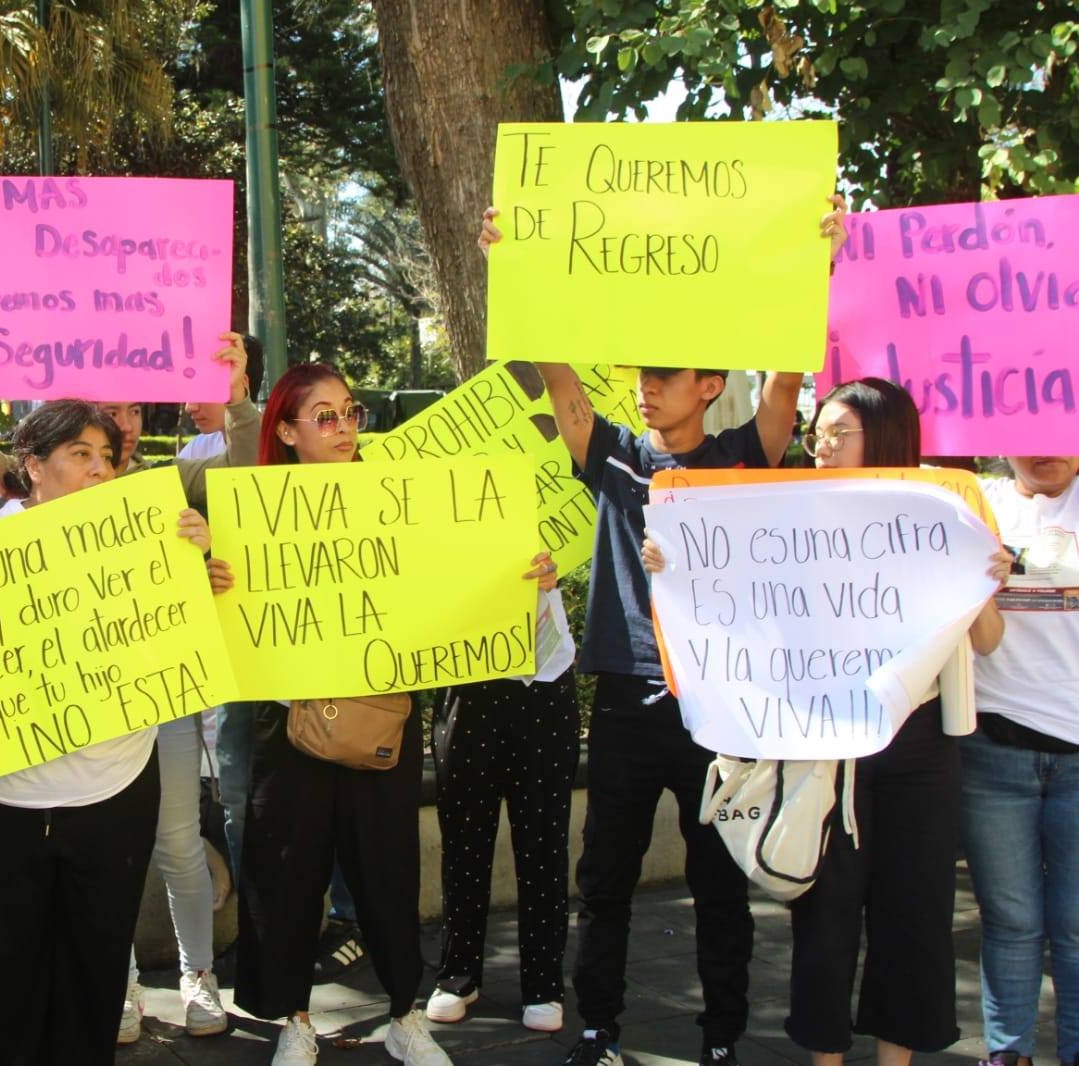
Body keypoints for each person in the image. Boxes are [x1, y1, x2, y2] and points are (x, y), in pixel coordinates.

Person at [478, 194, 848, 1066]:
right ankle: (598, 1029)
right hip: (622, 704)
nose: (648, 387)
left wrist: (816, 265)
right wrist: (515, 268)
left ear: (709, 386)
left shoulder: (741, 457)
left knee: (718, 884)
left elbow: (786, 381)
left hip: (716, 706)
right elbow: (559, 378)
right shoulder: (613, 456)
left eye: (668, 375)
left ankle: (720, 1038)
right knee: (603, 880)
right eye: (644, 375)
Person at [645, 377, 1008, 1066]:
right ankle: (825, 1057)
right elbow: (735, 596)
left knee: (915, 913)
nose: (821, 445)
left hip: (918, 745)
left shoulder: (943, 510)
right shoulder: (789, 511)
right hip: (824, 743)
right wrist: (675, 563)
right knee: (824, 912)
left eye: (839, 433)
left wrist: (985, 578)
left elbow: (986, 641)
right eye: (818, 432)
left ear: (886, 437)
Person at [0, 328, 253, 1040]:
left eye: (106, 455)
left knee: (93, 975)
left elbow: (237, 498)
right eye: (80, 454)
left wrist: (199, 577)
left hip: (114, 792)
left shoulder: (153, 528)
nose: (99, 468)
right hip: (0, 801)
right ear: (32, 466)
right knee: (8, 974)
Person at [211, 361, 559, 1066]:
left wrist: (529, 576)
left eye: (351, 412)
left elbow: (460, 577)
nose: (344, 427)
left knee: (388, 871)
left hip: (380, 719)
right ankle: (295, 1021)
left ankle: (404, 1013)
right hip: (291, 723)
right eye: (325, 416)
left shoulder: (400, 499)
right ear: (287, 430)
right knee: (288, 874)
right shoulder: (252, 512)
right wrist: (213, 580)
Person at [961, 454, 1079, 1066]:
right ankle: (1008, 1054)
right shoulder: (972, 501)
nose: (1045, 450)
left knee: (1077, 926)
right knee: (1009, 920)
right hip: (993, 751)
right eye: (1029, 435)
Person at [426, 563, 579, 1032]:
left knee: (543, 841)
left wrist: (552, 578)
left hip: (544, 683)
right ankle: (458, 975)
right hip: (467, 677)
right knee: (463, 840)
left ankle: (543, 984)